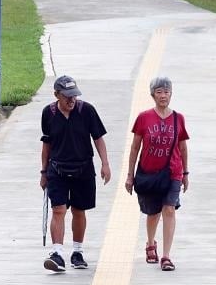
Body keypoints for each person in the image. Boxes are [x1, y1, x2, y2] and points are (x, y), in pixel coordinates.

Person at [40, 75, 111, 272]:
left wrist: (105, 164)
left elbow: (98, 139)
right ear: (56, 95)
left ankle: (77, 252)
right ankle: (57, 253)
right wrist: (44, 172)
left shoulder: (86, 110)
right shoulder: (48, 113)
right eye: (67, 96)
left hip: (83, 169)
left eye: (74, 96)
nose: (72, 100)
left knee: (79, 210)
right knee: (58, 210)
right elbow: (47, 144)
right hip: (57, 169)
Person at [124, 76, 189, 272]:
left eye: (167, 91)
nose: (163, 95)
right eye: (159, 92)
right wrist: (130, 175)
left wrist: (185, 172)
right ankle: (150, 243)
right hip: (149, 173)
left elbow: (183, 147)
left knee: (169, 210)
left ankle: (167, 256)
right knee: (153, 213)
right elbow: (135, 148)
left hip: (172, 173)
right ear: (153, 94)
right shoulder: (144, 117)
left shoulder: (178, 118)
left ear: (171, 94)